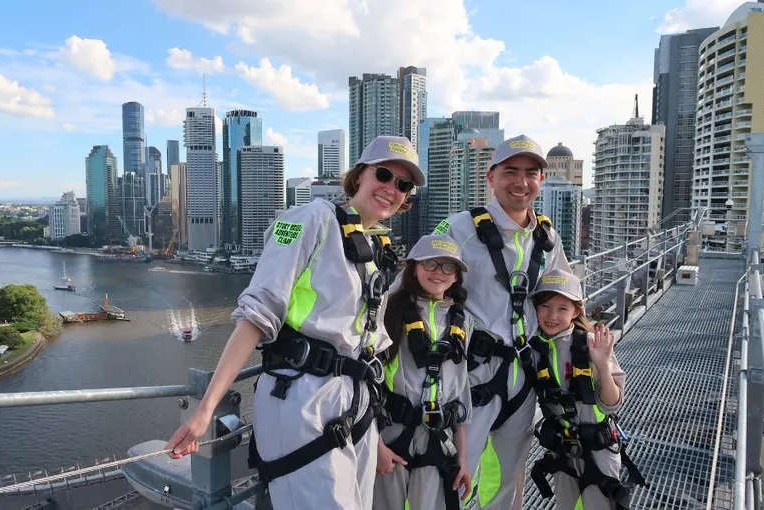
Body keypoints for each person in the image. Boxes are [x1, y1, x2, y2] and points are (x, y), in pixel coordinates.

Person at [164, 135, 425, 510]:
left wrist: (374, 436)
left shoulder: (375, 250)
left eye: (403, 185)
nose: (391, 189)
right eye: (383, 174)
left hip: (355, 408)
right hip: (301, 399)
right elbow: (257, 315)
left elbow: (368, 348)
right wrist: (206, 410)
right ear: (359, 176)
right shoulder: (308, 218)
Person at [433, 134, 573, 509]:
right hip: (471, 375)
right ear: (491, 177)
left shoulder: (546, 237)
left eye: (531, 173)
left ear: (541, 181)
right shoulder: (459, 229)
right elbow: (417, 288)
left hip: (523, 379)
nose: (521, 182)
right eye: (510, 171)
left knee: (506, 478)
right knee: (453, 473)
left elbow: (566, 300)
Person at [526, 269, 645, 509]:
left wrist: (602, 366)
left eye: (562, 308)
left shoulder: (589, 345)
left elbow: (612, 404)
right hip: (564, 449)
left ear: (576, 312)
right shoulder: (534, 348)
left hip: (598, 449)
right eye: (545, 306)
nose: (552, 316)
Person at [373, 234, 474, 510]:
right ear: (414, 267)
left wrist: (463, 457)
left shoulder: (462, 321)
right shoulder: (388, 311)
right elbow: (368, 383)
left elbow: (460, 393)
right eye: (429, 263)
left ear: (456, 277)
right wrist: (376, 446)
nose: (438, 272)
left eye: (447, 267)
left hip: (439, 443)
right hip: (391, 438)